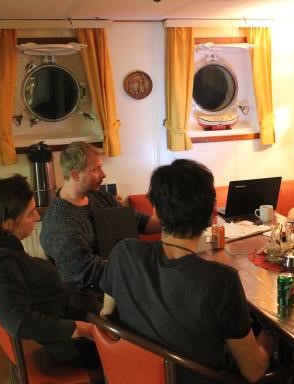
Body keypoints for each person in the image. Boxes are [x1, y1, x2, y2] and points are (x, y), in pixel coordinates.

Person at [99, 159, 275, 383]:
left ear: (156, 212)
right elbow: (254, 371)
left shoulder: (123, 253)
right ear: (212, 212)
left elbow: (107, 319)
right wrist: (269, 337)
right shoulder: (221, 281)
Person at [0, 174, 100, 367]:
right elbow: (18, 320)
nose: (38, 217)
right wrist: (81, 329)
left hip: (73, 323)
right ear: (7, 223)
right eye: (30, 213)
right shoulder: (3, 263)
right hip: (71, 346)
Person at [40, 141, 161, 291]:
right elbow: (88, 272)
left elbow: (133, 220)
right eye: (96, 169)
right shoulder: (60, 222)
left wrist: (173, 221)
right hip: (93, 299)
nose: (103, 174)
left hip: (121, 282)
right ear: (75, 175)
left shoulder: (98, 195)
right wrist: (144, 269)